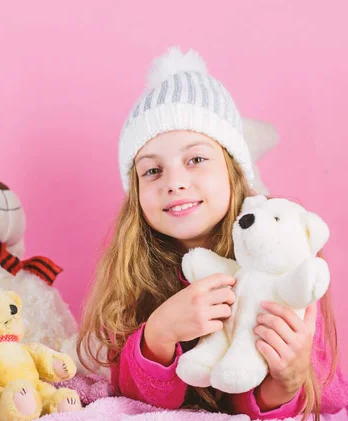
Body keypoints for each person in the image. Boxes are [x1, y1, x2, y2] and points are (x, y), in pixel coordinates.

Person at [77, 46, 347, 420]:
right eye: (152, 171)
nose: (174, 182)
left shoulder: (282, 253)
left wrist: (285, 382)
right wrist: (157, 337)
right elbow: (129, 396)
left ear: (234, 170)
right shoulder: (134, 271)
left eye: (196, 159)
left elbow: (324, 396)